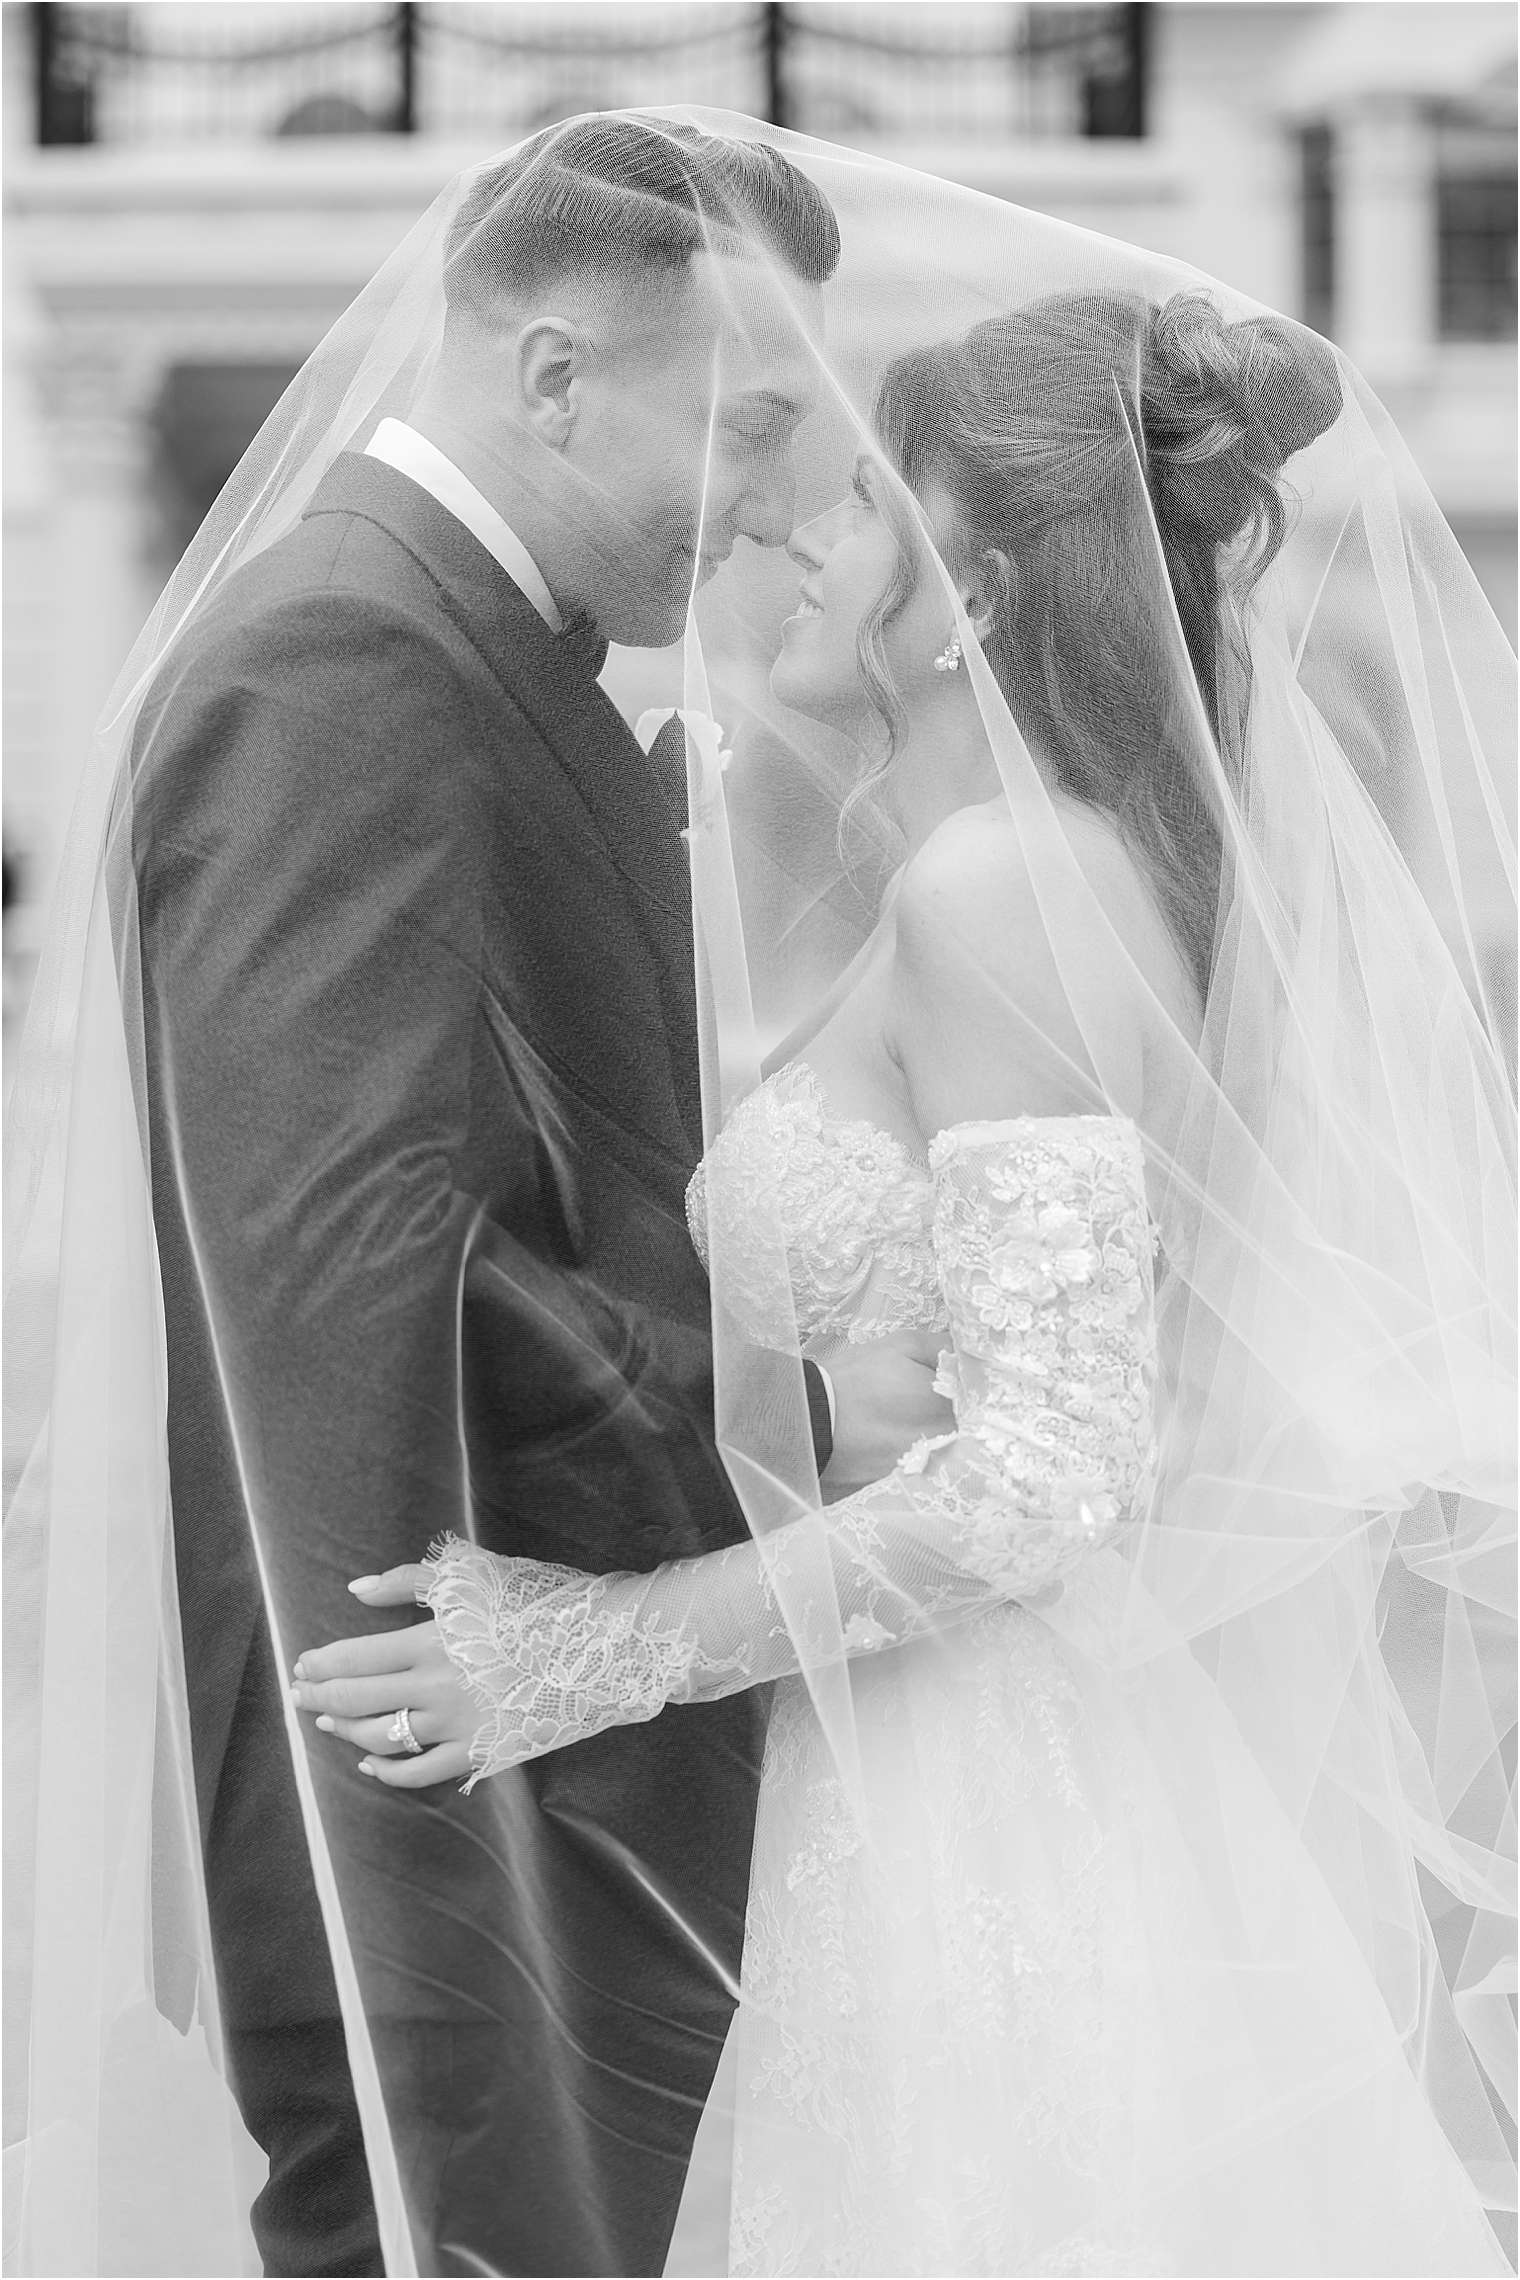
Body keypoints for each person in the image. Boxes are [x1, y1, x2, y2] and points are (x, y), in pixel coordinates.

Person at [8, 115, 1513, 2280]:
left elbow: (1046, 1471)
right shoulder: (859, 854)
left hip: (964, 1791)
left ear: (968, 584)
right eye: (756, 448)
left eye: (838, 496)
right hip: (829, 1766)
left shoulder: (1006, 895)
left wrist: (615, 1645)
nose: (777, 531)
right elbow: (362, 1265)